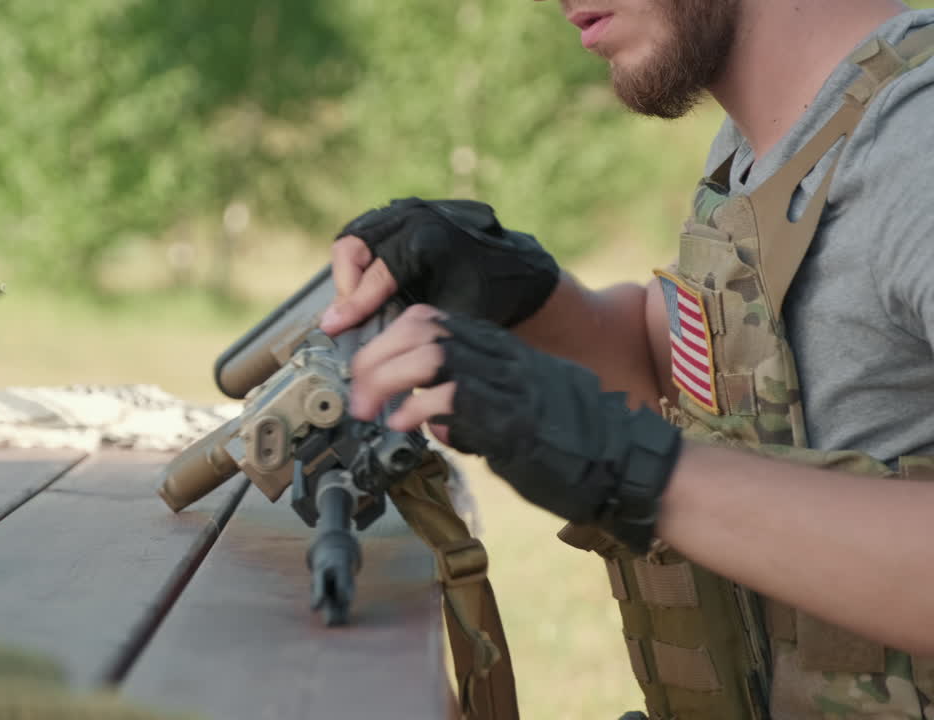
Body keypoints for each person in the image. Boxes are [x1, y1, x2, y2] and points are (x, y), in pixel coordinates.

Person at [320, 1, 934, 718]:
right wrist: (528, 299)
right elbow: (679, 370)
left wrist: (640, 471)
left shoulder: (916, 145)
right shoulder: (770, 144)